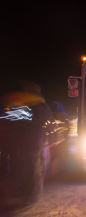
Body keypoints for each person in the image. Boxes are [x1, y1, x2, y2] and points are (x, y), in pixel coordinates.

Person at [0, 80, 58, 210]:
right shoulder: (36, 102)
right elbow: (48, 119)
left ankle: (25, 193)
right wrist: (54, 137)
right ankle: (30, 194)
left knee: (25, 165)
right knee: (32, 165)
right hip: (33, 139)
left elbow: (11, 120)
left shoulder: (21, 102)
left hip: (25, 140)